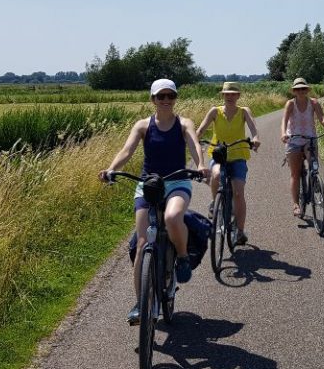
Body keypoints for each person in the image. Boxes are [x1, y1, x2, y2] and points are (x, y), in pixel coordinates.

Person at [99, 79, 208, 325]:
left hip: (177, 182)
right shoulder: (143, 125)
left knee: (171, 217)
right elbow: (127, 150)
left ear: (175, 98)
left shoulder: (184, 123)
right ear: (153, 100)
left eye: (171, 96)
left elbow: (194, 144)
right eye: (161, 96)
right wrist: (112, 169)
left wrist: (200, 165)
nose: (166, 100)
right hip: (148, 185)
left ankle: (181, 257)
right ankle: (141, 304)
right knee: (141, 243)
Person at [196, 81, 261, 246]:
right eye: (227, 94)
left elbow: (253, 129)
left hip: (239, 155)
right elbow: (201, 129)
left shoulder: (244, 111)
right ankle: (215, 203)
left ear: (238, 96)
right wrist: (195, 138)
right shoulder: (215, 111)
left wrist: (255, 139)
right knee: (216, 175)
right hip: (219, 154)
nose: (230, 97)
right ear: (223, 95)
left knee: (238, 193)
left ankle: (240, 231)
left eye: (233, 94)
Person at [280, 77, 324, 217]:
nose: (301, 91)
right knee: (295, 173)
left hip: (310, 139)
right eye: (298, 89)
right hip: (294, 140)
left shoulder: (314, 103)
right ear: (294, 91)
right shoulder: (290, 104)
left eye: (303, 88)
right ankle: (296, 204)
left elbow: (321, 118)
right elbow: (284, 121)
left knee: (313, 166)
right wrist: (284, 134)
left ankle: (315, 181)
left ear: (307, 90)